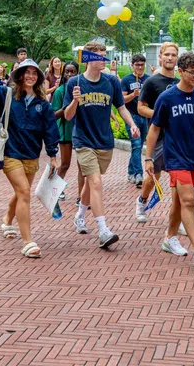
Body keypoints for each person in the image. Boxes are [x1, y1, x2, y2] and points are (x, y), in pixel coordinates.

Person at [0, 57, 59, 257]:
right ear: (19, 75)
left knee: (21, 192)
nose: (30, 76)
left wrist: (52, 155)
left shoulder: (43, 104)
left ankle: (7, 218)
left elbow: (50, 130)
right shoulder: (5, 95)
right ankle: (28, 241)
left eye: (34, 73)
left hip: (32, 155)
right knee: (24, 192)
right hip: (10, 154)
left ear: (39, 78)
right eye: (27, 72)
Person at [144, 52, 194, 269]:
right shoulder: (167, 98)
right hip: (175, 157)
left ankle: (169, 238)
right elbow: (154, 129)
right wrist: (148, 157)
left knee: (180, 201)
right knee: (188, 200)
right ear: (181, 71)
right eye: (192, 73)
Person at [63, 40, 140, 249]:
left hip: (104, 141)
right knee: (96, 183)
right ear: (89, 59)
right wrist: (75, 101)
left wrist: (132, 124)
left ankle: (79, 215)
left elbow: (121, 108)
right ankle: (103, 230)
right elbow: (68, 116)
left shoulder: (111, 82)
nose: (104, 59)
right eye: (100, 56)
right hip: (83, 141)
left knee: (91, 183)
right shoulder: (75, 83)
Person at [135, 42, 181, 225]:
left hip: (176, 139)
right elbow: (140, 108)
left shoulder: (180, 83)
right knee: (152, 178)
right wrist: (159, 115)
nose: (170, 58)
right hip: (158, 137)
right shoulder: (151, 82)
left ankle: (177, 220)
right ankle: (142, 201)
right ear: (160, 57)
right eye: (167, 55)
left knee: (178, 180)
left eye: (173, 55)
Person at [51, 62, 81, 202]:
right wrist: (68, 106)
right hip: (65, 130)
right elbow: (54, 114)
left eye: (73, 71)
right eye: (67, 72)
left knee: (83, 166)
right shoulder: (60, 91)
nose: (69, 74)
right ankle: (54, 189)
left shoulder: (82, 89)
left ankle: (81, 197)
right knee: (65, 163)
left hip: (81, 130)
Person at [121, 54, 149, 185]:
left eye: (142, 64)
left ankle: (131, 172)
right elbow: (122, 100)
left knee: (137, 146)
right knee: (137, 144)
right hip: (131, 116)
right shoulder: (126, 80)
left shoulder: (149, 80)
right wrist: (134, 94)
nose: (140, 67)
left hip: (145, 117)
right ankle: (138, 174)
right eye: (137, 64)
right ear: (132, 65)